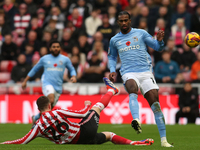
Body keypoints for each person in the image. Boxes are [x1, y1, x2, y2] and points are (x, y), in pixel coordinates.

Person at [1, 78, 154, 146]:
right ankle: (112, 91)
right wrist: (86, 105)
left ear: (38, 109)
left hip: (76, 141)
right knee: (96, 107)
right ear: (49, 104)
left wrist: (5, 143)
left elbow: (23, 141)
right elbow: (81, 115)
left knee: (108, 136)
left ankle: (136, 143)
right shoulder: (57, 112)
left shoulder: (37, 127)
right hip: (83, 131)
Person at [108, 11, 173, 147]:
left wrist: (160, 41)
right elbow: (112, 57)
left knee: (155, 104)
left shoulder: (141, 33)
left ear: (130, 20)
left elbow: (157, 47)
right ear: (118, 22)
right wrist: (113, 70)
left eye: (126, 20)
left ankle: (164, 141)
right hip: (128, 72)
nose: (124, 23)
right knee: (132, 88)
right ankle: (136, 119)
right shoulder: (114, 40)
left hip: (145, 72)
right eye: (121, 21)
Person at [21, 40, 77, 124]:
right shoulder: (44, 59)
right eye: (54, 47)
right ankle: (45, 122)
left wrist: (73, 76)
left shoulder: (65, 59)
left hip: (58, 86)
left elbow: (72, 69)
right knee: (50, 99)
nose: (55, 48)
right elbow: (35, 69)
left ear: (60, 48)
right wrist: (25, 81)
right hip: (47, 83)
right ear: (50, 48)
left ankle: (36, 117)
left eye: (57, 47)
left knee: (49, 107)